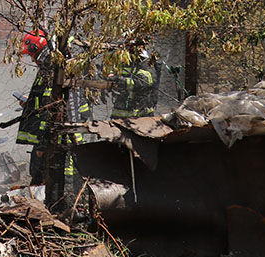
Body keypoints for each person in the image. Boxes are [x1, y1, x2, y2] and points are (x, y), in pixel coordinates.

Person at [16, 30, 92, 193]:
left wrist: (42, 145)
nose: (32, 59)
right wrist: (30, 102)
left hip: (59, 134)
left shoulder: (52, 70)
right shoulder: (58, 65)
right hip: (68, 130)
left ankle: (64, 203)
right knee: (66, 172)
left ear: (39, 49)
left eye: (32, 54)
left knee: (61, 174)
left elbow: (50, 109)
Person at [110, 44, 162, 118]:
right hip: (120, 111)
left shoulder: (146, 66)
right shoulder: (124, 64)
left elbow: (142, 83)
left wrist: (120, 80)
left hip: (140, 114)